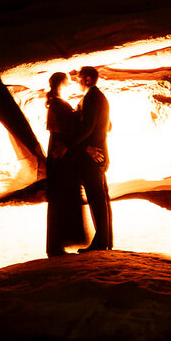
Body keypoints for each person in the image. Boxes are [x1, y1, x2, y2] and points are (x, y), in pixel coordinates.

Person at [43, 70, 89, 256]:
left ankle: (58, 244)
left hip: (58, 152)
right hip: (61, 155)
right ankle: (56, 245)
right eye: (68, 82)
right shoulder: (59, 104)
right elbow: (69, 129)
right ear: (61, 85)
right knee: (61, 198)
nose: (71, 85)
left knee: (59, 198)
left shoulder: (56, 103)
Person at [72, 63, 114, 250]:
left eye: (78, 78)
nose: (76, 81)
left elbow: (88, 127)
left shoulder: (91, 98)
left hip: (93, 155)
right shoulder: (100, 97)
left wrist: (76, 144)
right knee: (101, 198)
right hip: (100, 153)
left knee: (96, 199)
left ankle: (100, 243)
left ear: (87, 79)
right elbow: (109, 125)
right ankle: (104, 241)